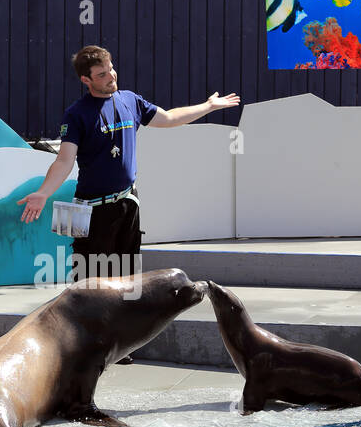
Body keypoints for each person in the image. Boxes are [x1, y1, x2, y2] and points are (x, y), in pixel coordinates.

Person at [17, 45, 241, 284]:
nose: (110, 76)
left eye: (111, 69)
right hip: (93, 211)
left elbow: (169, 118)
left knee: (128, 282)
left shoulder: (130, 100)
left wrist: (208, 106)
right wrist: (43, 192)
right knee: (91, 284)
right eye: (101, 74)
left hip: (127, 205)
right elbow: (64, 161)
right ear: (86, 80)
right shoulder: (76, 114)